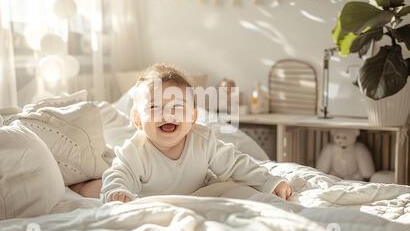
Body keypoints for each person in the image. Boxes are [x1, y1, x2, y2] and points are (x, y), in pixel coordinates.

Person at [100, 64, 292, 203]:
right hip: (156, 203)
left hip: (199, 194)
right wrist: (116, 191)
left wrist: (270, 181)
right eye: (154, 107)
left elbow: (236, 164)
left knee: (235, 188)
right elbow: (118, 174)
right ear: (137, 120)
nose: (168, 114)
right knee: (94, 186)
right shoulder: (135, 151)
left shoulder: (202, 140)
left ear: (192, 117)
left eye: (177, 106)